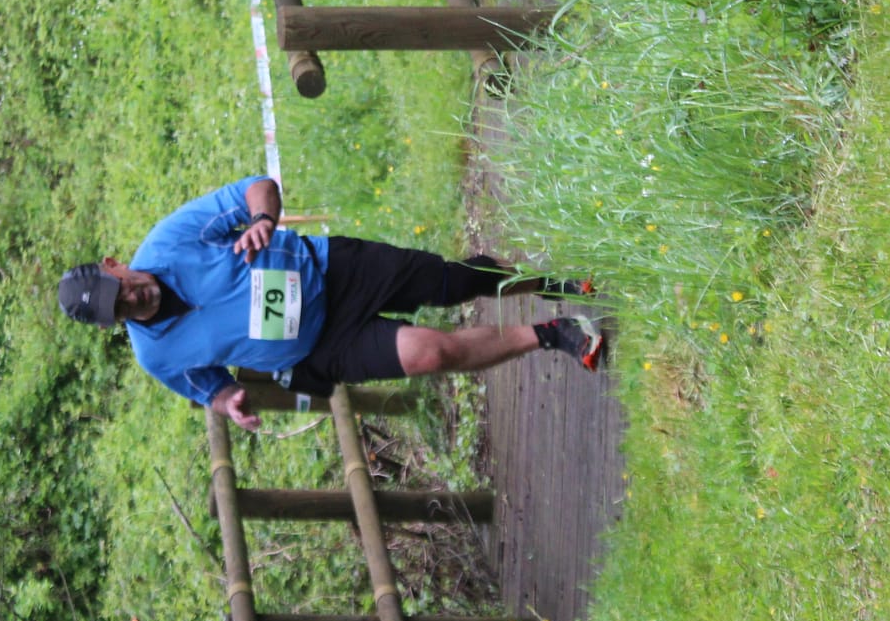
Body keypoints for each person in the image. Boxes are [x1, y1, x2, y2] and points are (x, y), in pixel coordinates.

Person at [58, 175, 604, 430]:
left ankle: (545, 281)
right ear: (113, 324)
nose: (133, 297)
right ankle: (555, 335)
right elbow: (211, 387)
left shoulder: (170, 239)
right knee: (431, 354)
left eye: (123, 286)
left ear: (114, 265)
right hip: (321, 348)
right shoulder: (157, 356)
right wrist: (229, 403)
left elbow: (258, 187)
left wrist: (262, 222)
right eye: (121, 309)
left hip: (333, 271)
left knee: (453, 283)